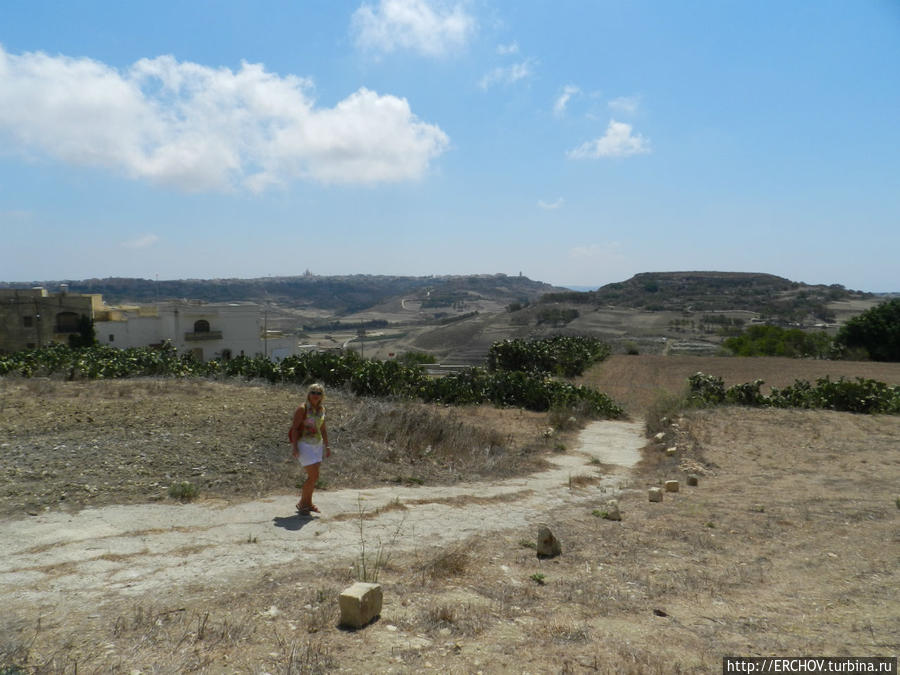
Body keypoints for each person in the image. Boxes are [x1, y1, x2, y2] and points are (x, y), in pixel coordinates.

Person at [289, 383, 331, 514]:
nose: (315, 395)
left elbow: (323, 429)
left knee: (314, 477)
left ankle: (308, 503)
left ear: (322, 396)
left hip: (317, 445)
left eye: (319, 393)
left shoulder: (321, 410)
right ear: (308, 394)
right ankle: (303, 503)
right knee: (314, 475)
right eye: (313, 392)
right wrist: (295, 447)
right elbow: (295, 428)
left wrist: (327, 445)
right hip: (304, 444)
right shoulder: (302, 409)